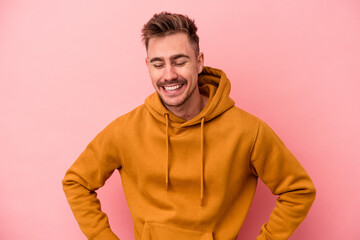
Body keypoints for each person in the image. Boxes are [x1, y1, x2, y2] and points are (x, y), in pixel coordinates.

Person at [62, 12, 316, 240]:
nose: (169, 74)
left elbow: (299, 190)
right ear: (148, 67)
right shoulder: (126, 130)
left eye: (179, 61)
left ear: (199, 62)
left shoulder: (248, 131)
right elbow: (76, 181)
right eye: (158, 64)